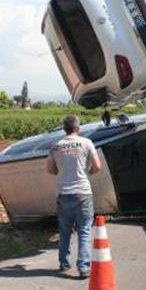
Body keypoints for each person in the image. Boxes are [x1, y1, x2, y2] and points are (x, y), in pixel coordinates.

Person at [47, 115, 102, 279]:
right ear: (78, 128)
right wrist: (86, 173)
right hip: (83, 193)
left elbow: (50, 169)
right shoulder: (86, 143)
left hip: (64, 194)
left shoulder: (56, 146)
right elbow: (97, 166)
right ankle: (83, 268)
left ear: (64, 129)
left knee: (64, 231)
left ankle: (64, 263)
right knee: (84, 230)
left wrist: (61, 172)